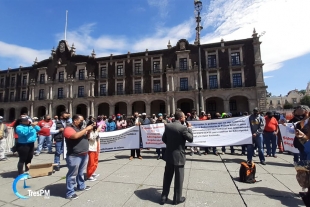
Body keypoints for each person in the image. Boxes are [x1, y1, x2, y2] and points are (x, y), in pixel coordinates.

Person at [161, 110, 193, 205]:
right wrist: (189, 128)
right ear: (180, 118)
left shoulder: (168, 126)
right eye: (184, 117)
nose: (185, 118)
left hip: (169, 155)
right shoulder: (183, 128)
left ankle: (164, 197)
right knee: (179, 179)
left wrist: (171, 146)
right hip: (179, 156)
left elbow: (164, 139)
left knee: (167, 177)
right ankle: (177, 199)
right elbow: (191, 139)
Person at [63, 114, 93, 200]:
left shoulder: (80, 128)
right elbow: (75, 136)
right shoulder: (68, 128)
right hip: (74, 155)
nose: (83, 122)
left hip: (84, 154)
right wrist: (86, 129)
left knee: (80, 172)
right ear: (75, 120)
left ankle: (81, 186)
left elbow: (86, 137)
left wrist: (89, 131)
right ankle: (70, 192)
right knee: (72, 174)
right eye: (81, 120)